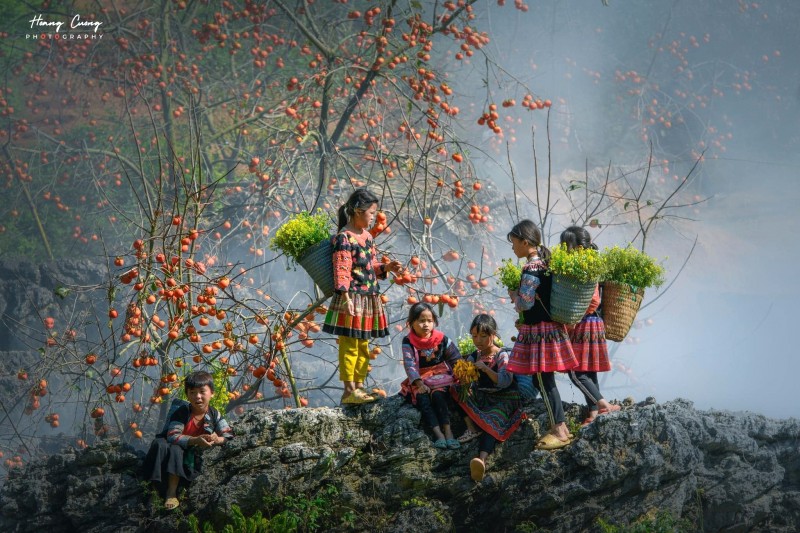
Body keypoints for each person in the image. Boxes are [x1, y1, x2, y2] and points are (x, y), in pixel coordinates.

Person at [322, 188, 402, 405]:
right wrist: (346, 298)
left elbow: (369, 268)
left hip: (368, 298)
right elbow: (342, 269)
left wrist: (386, 267)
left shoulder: (367, 237)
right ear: (358, 210)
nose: (374, 217)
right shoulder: (344, 238)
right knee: (350, 345)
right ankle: (349, 391)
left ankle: (359, 388)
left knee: (363, 345)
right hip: (351, 298)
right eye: (371, 213)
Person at [505, 219, 578, 450]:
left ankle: (558, 429)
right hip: (551, 328)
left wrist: (513, 294)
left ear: (526, 242)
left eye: (515, 243)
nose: (513, 248)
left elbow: (525, 303)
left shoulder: (530, 268)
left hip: (539, 332)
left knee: (543, 379)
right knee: (547, 379)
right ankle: (562, 427)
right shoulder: (546, 264)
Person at [142, 371, 233, 510]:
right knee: (163, 445)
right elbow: (172, 435)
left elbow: (228, 434)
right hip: (167, 449)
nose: (198, 396)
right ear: (187, 395)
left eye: (202, 391)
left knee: (177, 449)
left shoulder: (214, 414)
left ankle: (171, 492)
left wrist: (216, 439)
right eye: (192, 392)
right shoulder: (182, 411)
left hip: (187, 455)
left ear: (212, 393)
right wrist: (195, 440)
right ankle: (153, 488)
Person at [559, 226, 621, 425]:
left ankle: (602, 404)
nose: (565, 250)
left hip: (584, 322)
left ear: (579, 247)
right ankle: (593, 411)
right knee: (587, 369)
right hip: (591, 322)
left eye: (567, 246)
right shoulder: (590, 262)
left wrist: (572, 320)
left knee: (575, 371)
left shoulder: (588, 265)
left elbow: (593, 300)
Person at [453, 314, 524, 482]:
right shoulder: (474, 355)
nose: (478, 340)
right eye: (475, 336)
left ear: (493, 335)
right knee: (454, 390)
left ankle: (482, 459)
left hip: (504, 397)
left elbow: (505, 381)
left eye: (483, 336)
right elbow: (465, 378)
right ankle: (471, 428)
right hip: (484, 395)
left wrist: (486, 369)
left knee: (493, 419)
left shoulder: (502, 355)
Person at [399, 302, 463, 450]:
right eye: (421, 321)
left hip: (441, 377)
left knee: (439, 397)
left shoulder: (442, 339)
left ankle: (448, 432)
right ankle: (438, 434)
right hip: (420, 378)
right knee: (423, 400)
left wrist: (462, 376)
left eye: (429, 320)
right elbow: (409, 364)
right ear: (411, 323)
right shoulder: (408, 341)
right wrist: (419, 384)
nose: (426, 324)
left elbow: (455, 359)